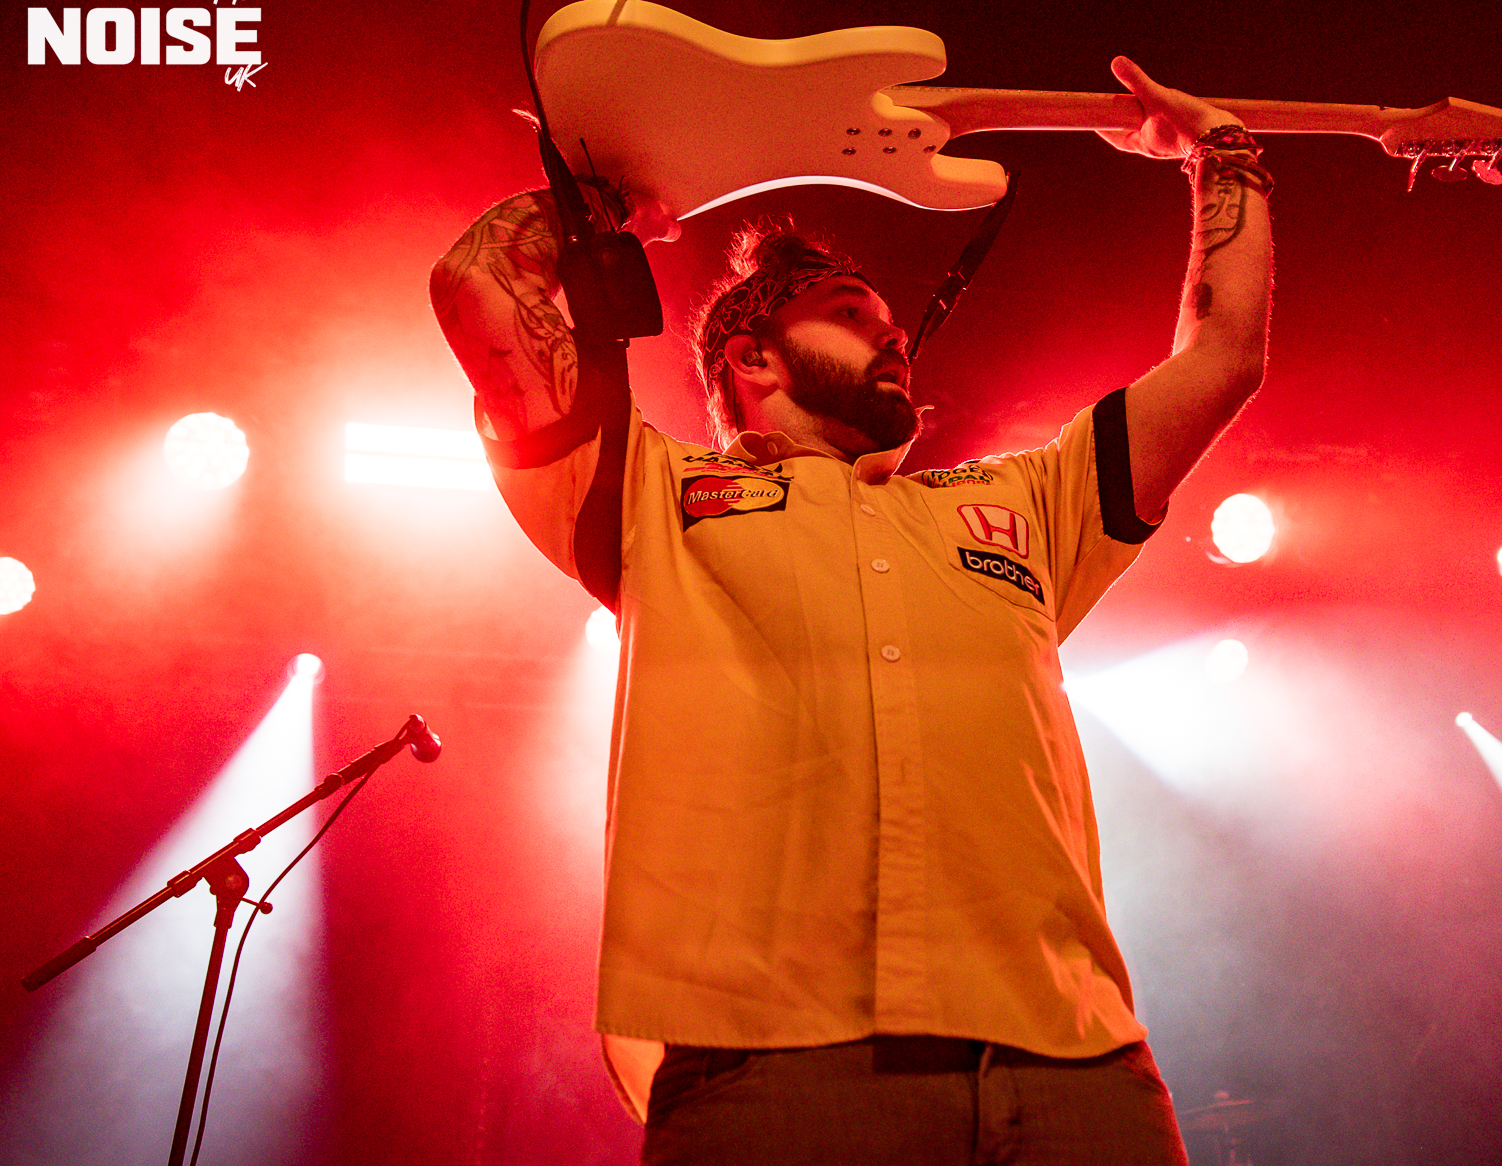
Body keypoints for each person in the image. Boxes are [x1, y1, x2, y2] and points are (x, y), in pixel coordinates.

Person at [429, 56, 1272, 1165]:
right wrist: (605, 204)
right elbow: (477, 284)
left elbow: (1223, 354)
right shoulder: (647, 494)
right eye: (850, 313)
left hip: (1073, 1064)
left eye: (892, 323)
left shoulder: (1020, 501)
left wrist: (1222, 158)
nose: (895, 337)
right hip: (769, 1073)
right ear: (751, 357)